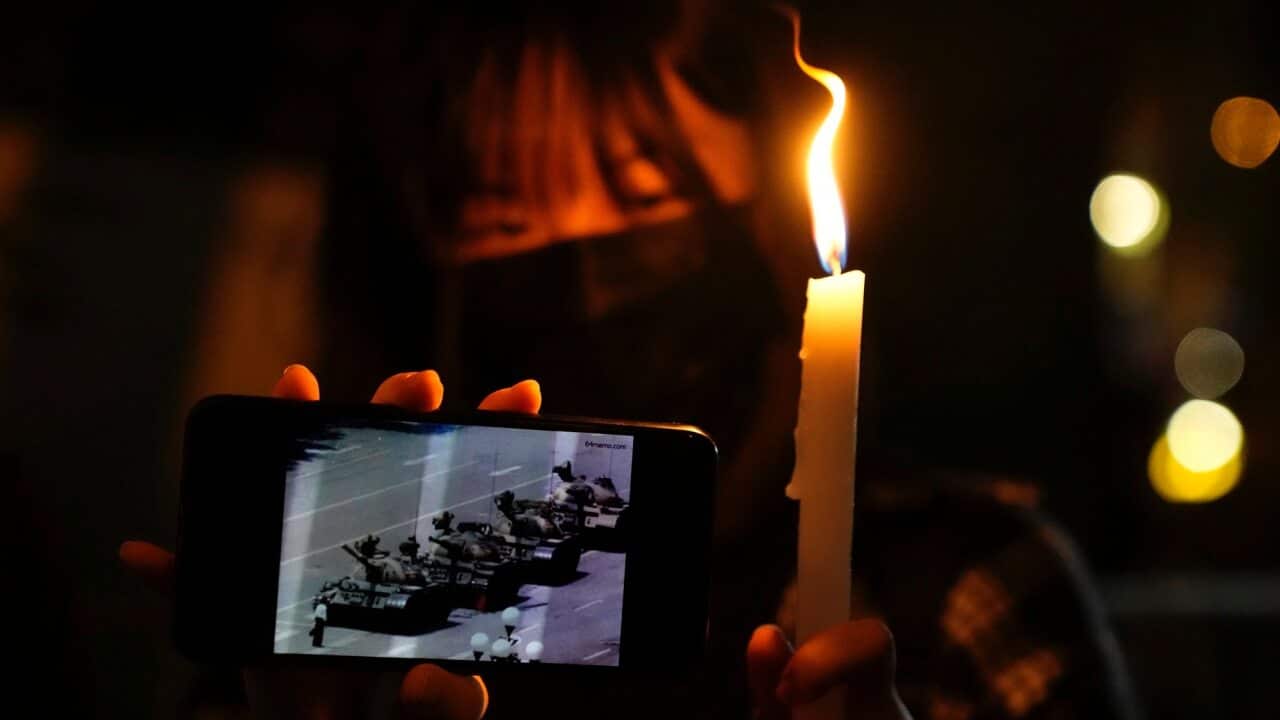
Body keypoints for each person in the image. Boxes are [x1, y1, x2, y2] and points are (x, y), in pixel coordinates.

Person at [123, 2, 1138, 718]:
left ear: (759, 211)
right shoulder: (332, 621)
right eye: (504, 216)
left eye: (643, 192)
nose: (580, 269)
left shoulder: (962, 593)